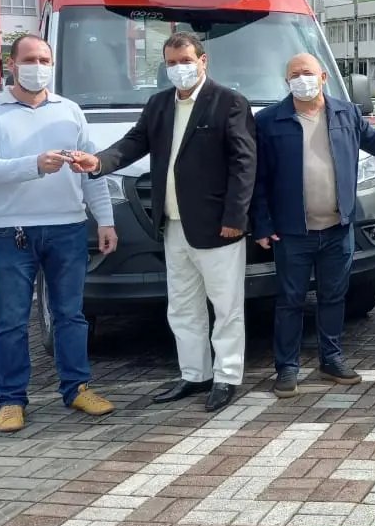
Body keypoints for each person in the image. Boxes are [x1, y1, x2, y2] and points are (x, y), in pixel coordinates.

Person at [71, 33, 256, 413]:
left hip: (218, 227)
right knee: (183, 306)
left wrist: (236, 217)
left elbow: (244, 163)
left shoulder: (228, 102)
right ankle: (195, 373)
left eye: (185, 60)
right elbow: (132, 143)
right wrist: (98, 162)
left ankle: (226, 376)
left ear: (203, 61)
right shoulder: (159, 105)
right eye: (171, 63)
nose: (178, 68)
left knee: (226, 307)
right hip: (172, 225)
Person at [252, 54, 375, 394]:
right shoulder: (270, 121)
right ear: (286, 81)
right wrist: (261, 223)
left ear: (323, 77)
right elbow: (258, 178)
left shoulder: (345, 114)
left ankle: (331, 358)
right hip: (293, 232)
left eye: (307, 73)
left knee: (333, 297)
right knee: (290, 300)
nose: (301, 79)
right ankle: (287, 367)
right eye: (294, 75)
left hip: (338, 228)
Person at [0, 34, 117, 433]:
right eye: (30, 59)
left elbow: (91, 170)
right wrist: (34, 164)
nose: (38, 67)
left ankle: (77, 387)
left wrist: (105, 220)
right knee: (11, 320)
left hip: (67, 227)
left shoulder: (69, 110)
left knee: (71, 315)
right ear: (11, 64)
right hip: (10, 231)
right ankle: (11, 399)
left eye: (45, 59)